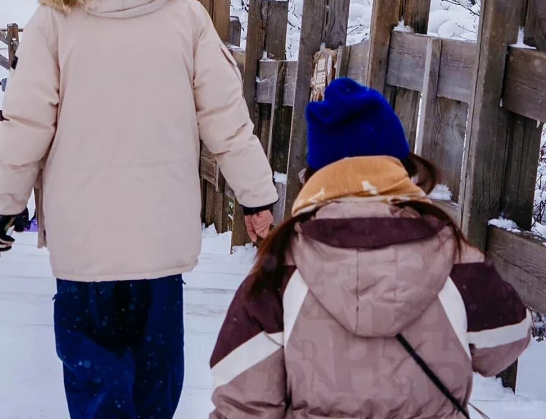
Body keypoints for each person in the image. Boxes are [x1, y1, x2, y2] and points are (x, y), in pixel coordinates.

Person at [0, 0, 277, 419]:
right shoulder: (184, 15)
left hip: (83, 248)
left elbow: (25, 121)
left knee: (98, 390)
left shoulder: (53, 21)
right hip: (159, 245)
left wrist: (5, 203)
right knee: (154, 388)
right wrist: (257, 198)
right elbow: (226, 118)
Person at [210, 76, 530, 419]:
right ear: (401, 166)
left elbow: (240, 397)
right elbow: (507, 340)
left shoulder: (282, 268)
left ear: (314, 174)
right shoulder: (454, 257)